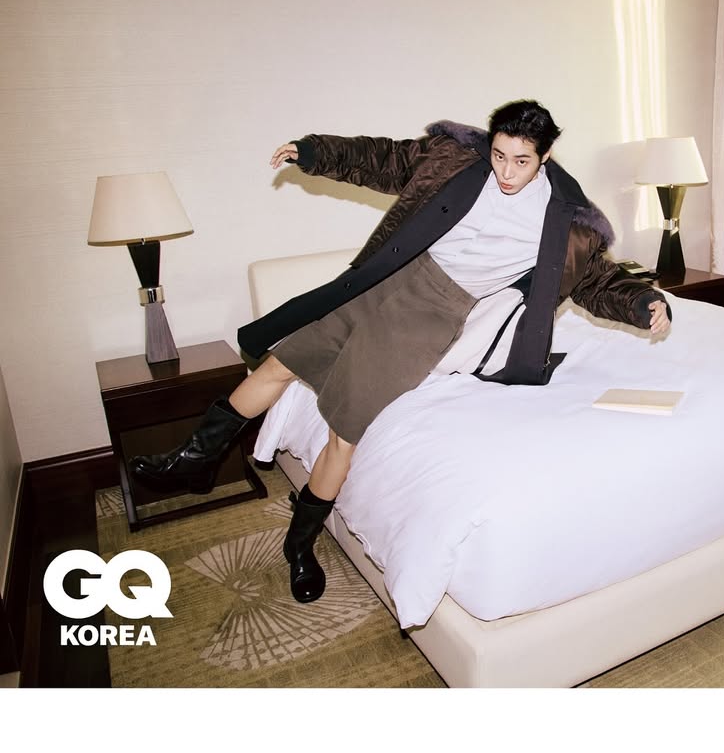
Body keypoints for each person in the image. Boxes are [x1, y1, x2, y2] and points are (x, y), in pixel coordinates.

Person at [131, 100, 671, 605]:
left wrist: (643, 301)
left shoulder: (568, 222)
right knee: (280, 363)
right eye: (499, 155)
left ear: (546, 157)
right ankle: (195, 461)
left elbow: (598, 281)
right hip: (384, 280)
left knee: (344, 432)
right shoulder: (456, 160)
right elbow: (384, 159)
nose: (506, 172)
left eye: (521, 162)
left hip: (429, 317)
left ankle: (299, 545)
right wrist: (314, 151)